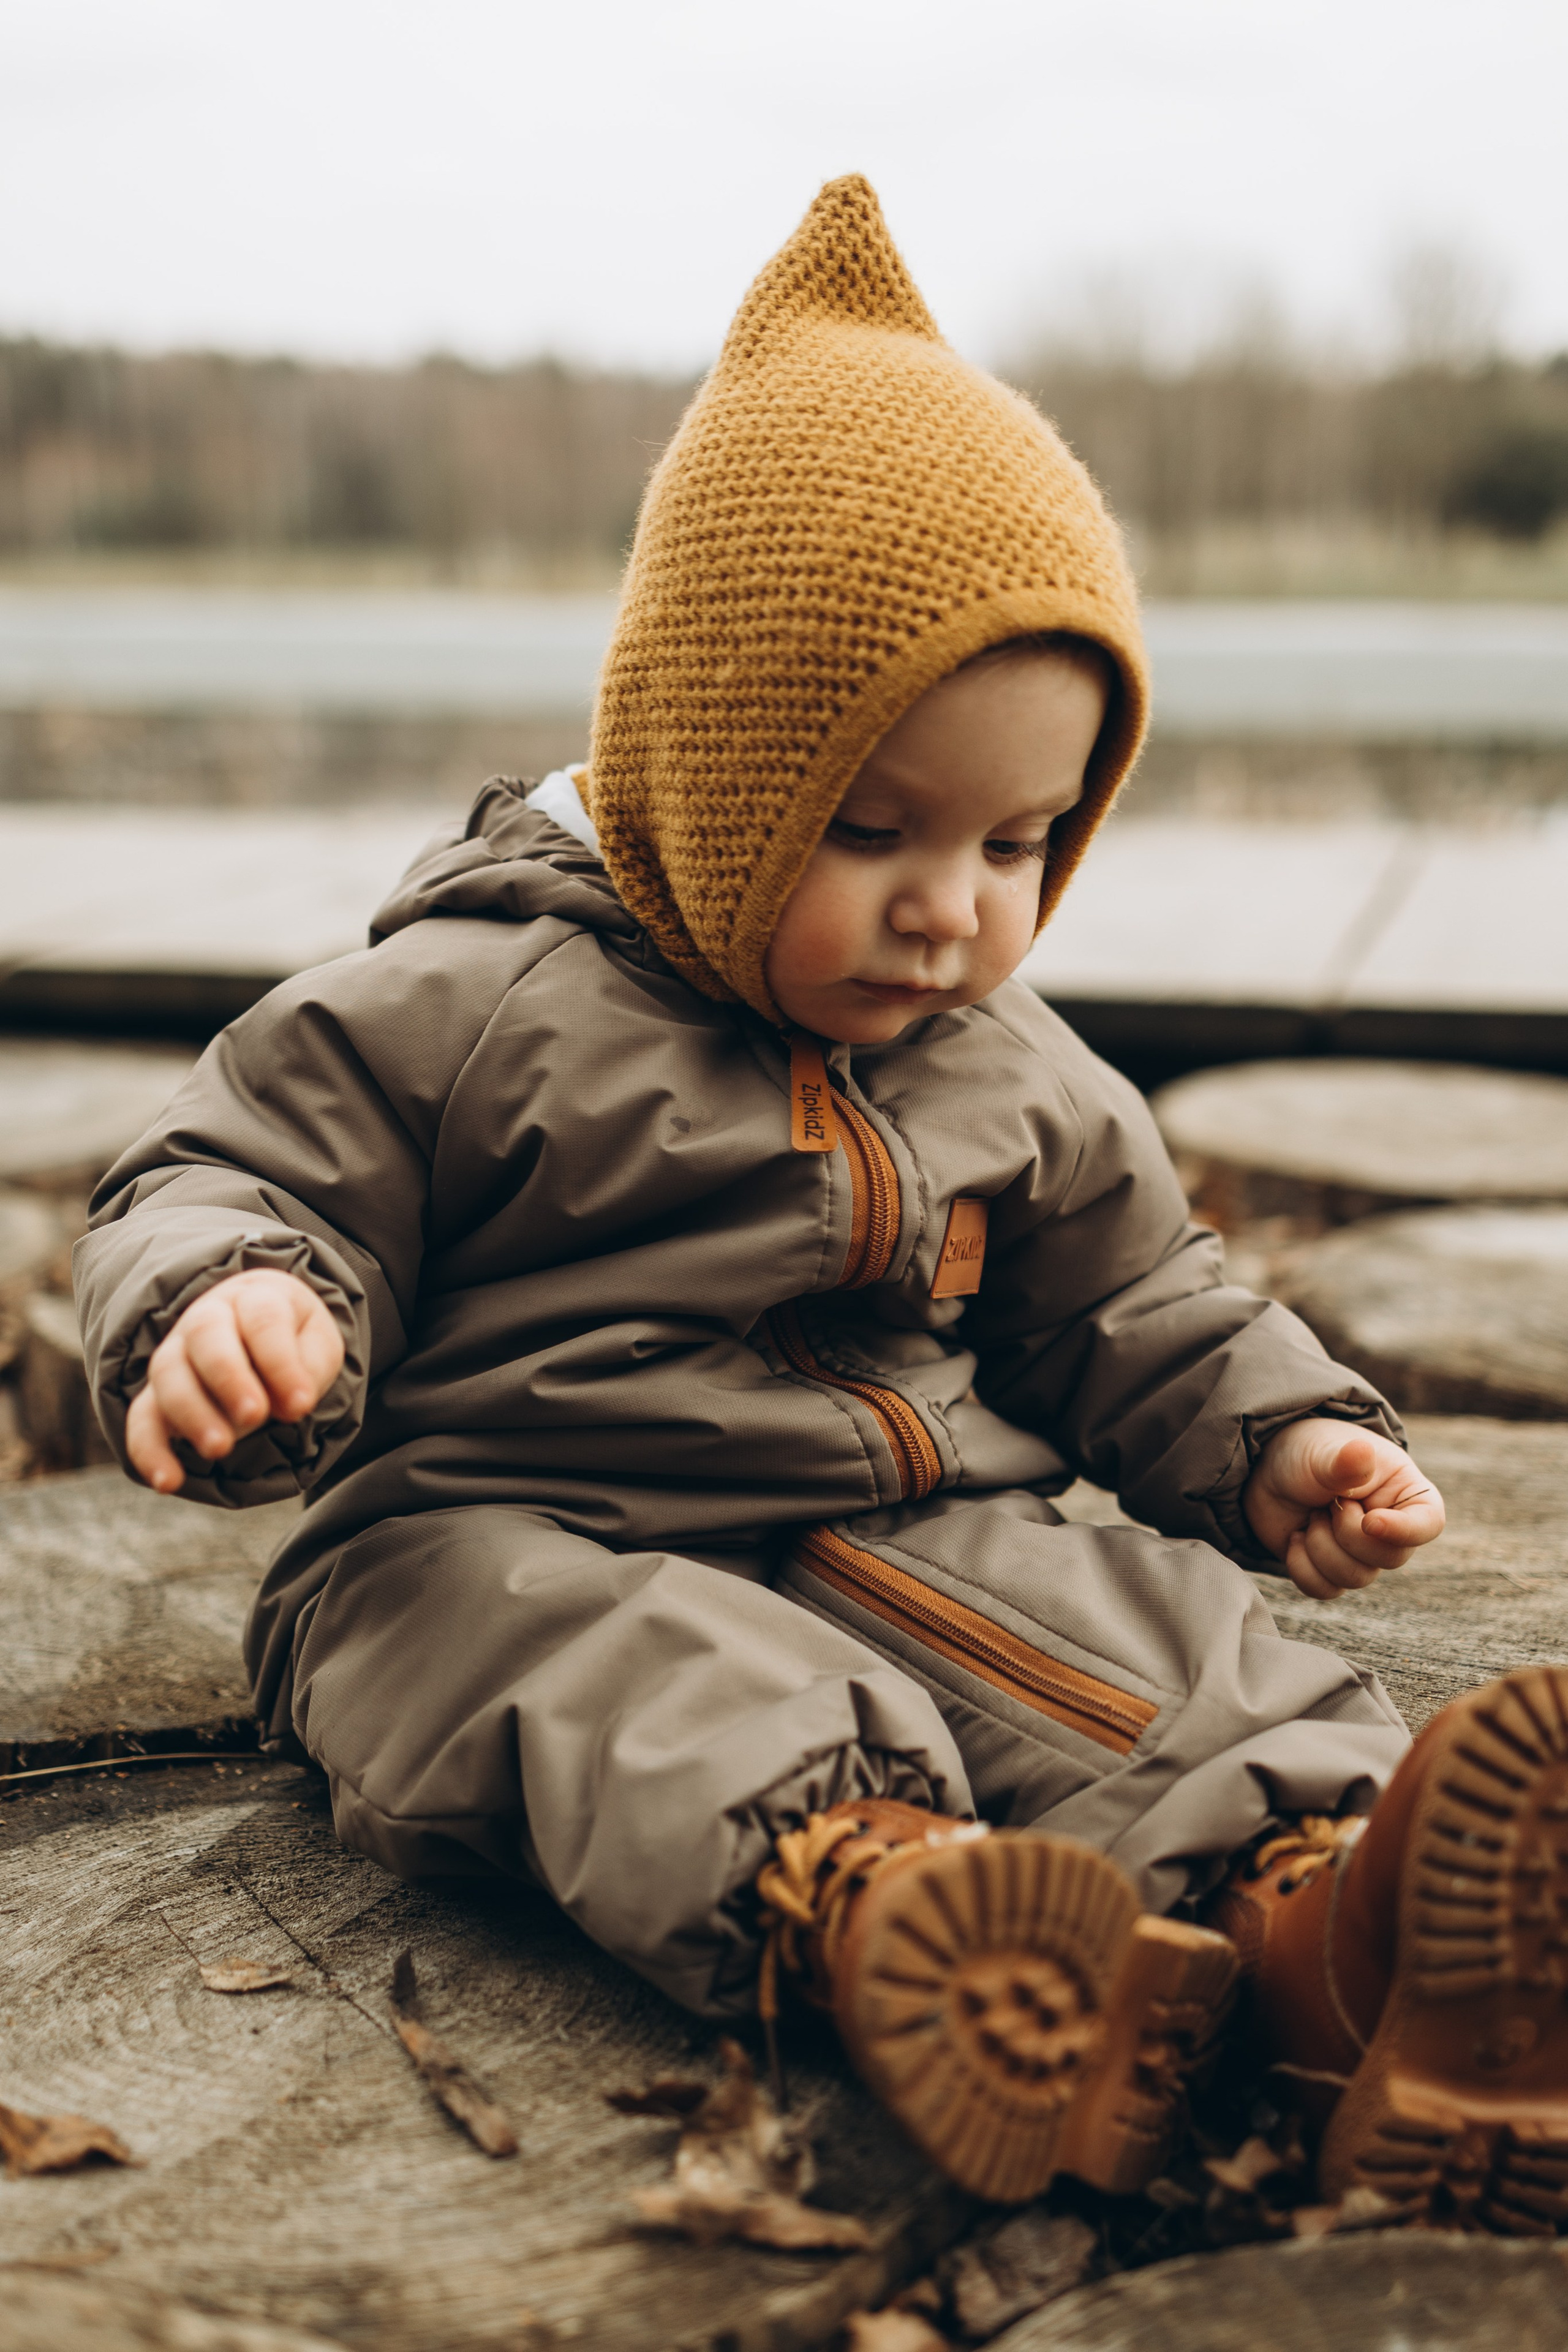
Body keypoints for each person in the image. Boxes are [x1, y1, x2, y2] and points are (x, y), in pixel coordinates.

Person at [76, 178, 1567, 2225]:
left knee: (1135, 1636)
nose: (955, 908)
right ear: (709, 769)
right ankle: (904, 1923)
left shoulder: (1009, 1058)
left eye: (1026, 841)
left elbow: (1145, 1291)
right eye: (870, 829)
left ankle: (1334, 1930)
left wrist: (1279, 1435)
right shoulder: (477, 999)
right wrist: (243, 1302)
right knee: (634, 1693)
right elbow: (227, 1164)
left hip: (890, 1518)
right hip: (488, 1532)